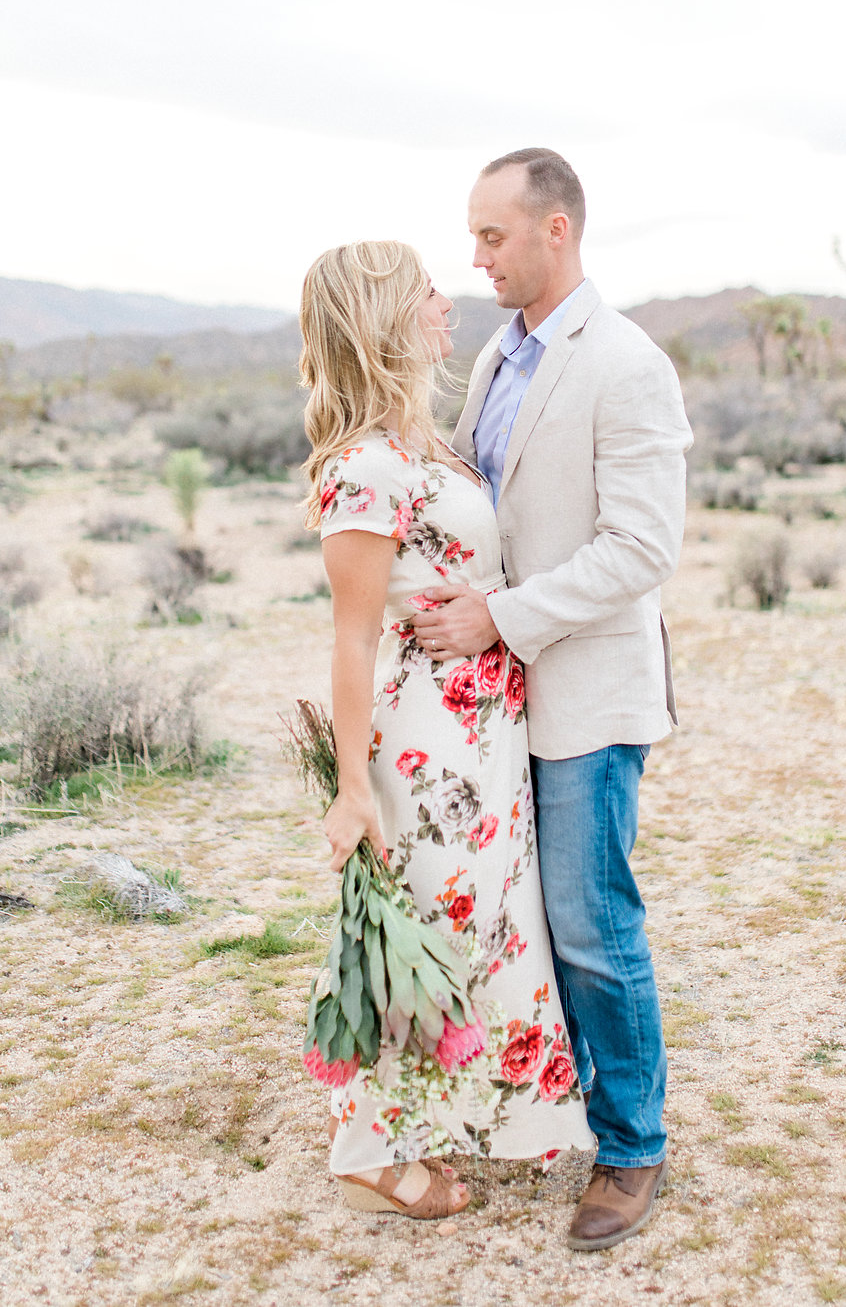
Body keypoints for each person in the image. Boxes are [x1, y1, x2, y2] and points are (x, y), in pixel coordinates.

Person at [410, 149, 693, 1251]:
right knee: (525, 919)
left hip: (586, 690)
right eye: (473, 236)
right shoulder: (497, 357)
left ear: (557, 230)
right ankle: (553, 1106)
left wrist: (502, 616)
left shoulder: (625, 365)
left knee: (590, 921)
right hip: (496, 703)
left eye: (492, 236)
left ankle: (631, 1150)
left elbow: (641, 546)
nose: (475, 256)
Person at [298, 239, 593, 1221]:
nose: (446, 303)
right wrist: (349, 789)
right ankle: (366, 1155)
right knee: (428, 931)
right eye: (428, 290)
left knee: (474, 931)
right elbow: (350, 639)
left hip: (482, 733)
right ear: (388, 314)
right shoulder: (368, 465)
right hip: (427, 743)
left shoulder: (423, 445)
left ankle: (436, 1124)